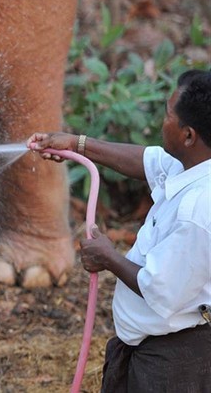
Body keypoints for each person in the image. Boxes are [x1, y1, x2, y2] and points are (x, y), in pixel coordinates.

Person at [28, 69, 211, 392]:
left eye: (168, 115)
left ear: (188, 136)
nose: (161, 120)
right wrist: (76, 144)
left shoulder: (197, 210)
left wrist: (109, 257)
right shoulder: (192, 166)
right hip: (151, 347)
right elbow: (146, 161)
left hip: (173, 362)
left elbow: (160, 289)